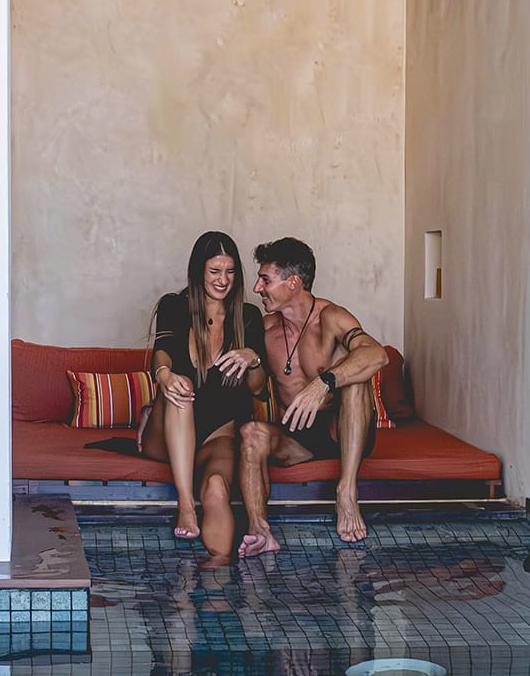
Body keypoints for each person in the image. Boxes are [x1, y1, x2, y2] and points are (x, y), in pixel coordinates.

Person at [237, 236, 389, 553]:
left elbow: (376, 355)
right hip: (297, 436)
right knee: (250, 433)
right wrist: (251, 360)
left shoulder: (331, 318)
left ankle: (346, 492)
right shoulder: (265, 330)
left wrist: (324, 383)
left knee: (356, 380)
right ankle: (260, 531)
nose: (257, 289)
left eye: (265, 279)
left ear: (293, 283)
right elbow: (255, 388)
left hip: (343, 428)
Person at [141, 231, 268, 557]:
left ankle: (218, 584)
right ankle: (185, 504)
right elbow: (163, 352)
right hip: (168, 430)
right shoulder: (174, 306)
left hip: (218, 432)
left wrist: (251, 357)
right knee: (181, 388)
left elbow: (256, 387)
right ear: (199, 271)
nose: (223, 280)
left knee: (215, 489)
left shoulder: (249, 317)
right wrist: (164, 375)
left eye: (229, 271)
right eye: (215, 271)